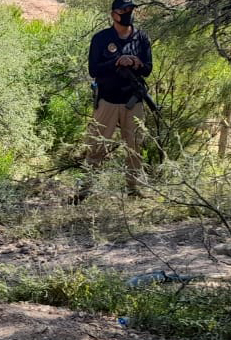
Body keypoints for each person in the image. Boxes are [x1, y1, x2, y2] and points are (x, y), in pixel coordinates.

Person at [81, 0, 153, 199]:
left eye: (131, 9)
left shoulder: (142, 38)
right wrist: (117, 61)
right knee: (96, 146)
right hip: (107, 101)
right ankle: (85, 190)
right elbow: (93, 70)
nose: (128, 13)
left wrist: (137, 63)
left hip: (133, 101)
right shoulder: (101, 38)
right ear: (114, 14)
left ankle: (133, 190)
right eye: (124, 10)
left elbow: (148, 69)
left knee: (135, 147)